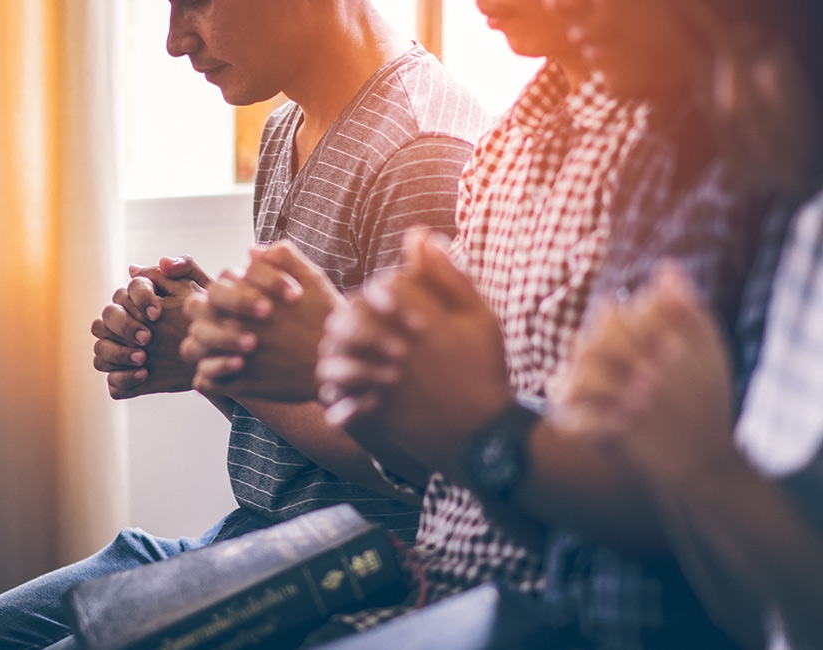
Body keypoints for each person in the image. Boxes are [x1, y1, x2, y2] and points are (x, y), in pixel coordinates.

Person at [0, 1, 488, 649]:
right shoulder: (284, 129)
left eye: (198, 2)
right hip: (251, 538)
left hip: (361, 571)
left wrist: (230, 363)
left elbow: (425, 475)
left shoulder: (423, 153)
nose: (175, 40)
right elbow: (300, 429)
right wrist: (202, 354)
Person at [314, 0, 815, 646]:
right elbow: (561, 521)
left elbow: (695, 540)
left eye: (752, 51)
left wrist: (479, 424)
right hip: (543, 608)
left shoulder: (761, 178)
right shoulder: (638, 157)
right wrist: (460, 418)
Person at [181, 0, 674, 641]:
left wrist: (317, 362)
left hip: (416, 576)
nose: (174, 42)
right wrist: (254, 361)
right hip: (401, 570)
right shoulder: (509, 146)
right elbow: (445, 461)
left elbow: (472, 464)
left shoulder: (431, 144)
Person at [553, 0, 823, 644]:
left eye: (757, 51)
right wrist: (677, 458)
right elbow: (760, 616)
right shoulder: (805, 226)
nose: (727, 100)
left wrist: (707, 468)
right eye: (710, 57)